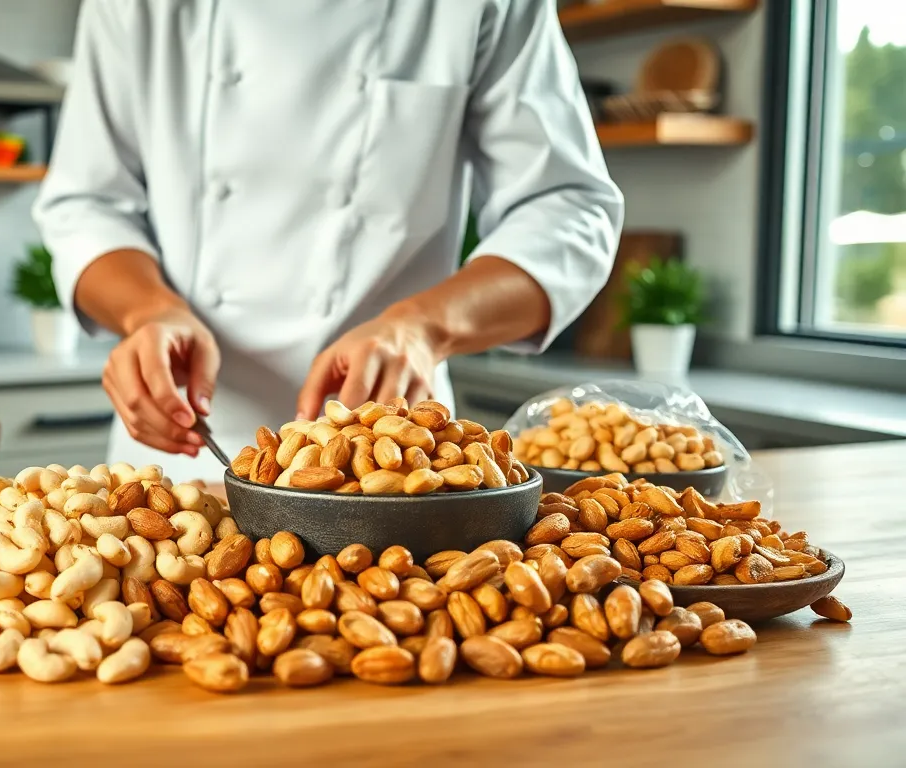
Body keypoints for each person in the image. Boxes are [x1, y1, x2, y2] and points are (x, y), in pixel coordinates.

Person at [33, 0, 623, 480]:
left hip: (393, 453)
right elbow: (87, 204)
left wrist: (423, 327)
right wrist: (147, 312)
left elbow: (569, 209)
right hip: (181, 454)